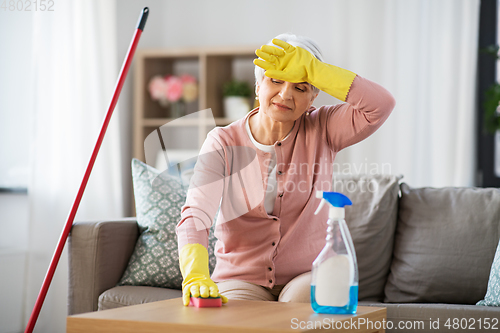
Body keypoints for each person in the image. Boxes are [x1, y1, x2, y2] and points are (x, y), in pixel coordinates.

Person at [176, 33, 395, 306]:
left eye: (301, 87)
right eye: (275, 81)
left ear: (313, 96)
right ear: (258, 87)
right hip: (240, 278)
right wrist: (195, 274)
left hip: (306, 275)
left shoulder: (324, 128)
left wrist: (317, 70)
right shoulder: (223, 142)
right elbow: (196, 213)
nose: (285, 94)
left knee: (297, 318)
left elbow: (381, 105)